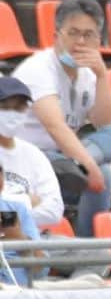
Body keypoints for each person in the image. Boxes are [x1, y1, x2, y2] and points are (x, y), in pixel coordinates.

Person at [12, 0, 111, 238]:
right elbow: (56, 127)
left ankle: (88, 245)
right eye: (73, 33)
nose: (80, 42)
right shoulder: (38, 69)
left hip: (64, 162)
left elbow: (104, 122)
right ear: (57, 36)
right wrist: (89, 166)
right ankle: (88, 249)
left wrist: (102, 76)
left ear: (98, 40)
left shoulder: (87, 73)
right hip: (30, 163)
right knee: (103, 174)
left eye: (88, 35)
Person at [0, 77, 62, 230]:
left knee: (96, 251)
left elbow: (54, 210)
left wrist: (11, 212)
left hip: (38, 237)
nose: (13, 114)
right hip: (4, 243)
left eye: (19, 108)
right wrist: (29, 201)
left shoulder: (34, 154)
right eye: (6, 107)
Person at [0, 162, 45, 288]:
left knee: (91, 280)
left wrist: (19, 240)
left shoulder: (17, 209)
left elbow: (40, 269)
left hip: (22, 290)